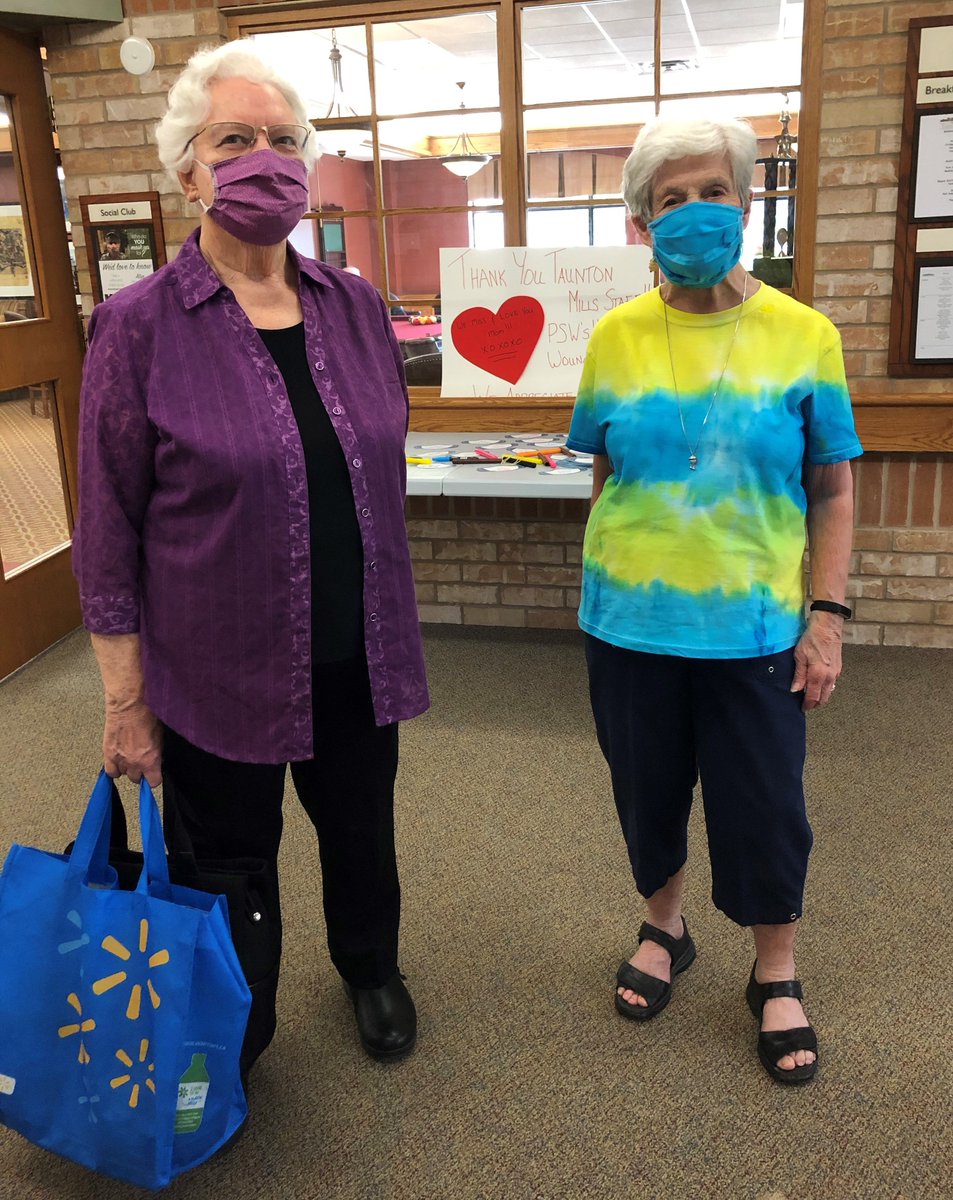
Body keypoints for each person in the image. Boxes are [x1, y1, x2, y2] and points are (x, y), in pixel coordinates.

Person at [73, 41, 429, 1072]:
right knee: (227, 859)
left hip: (356, 652)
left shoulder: (353, 306)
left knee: (360, 833)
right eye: (236, 139)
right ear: (188, 170)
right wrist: (124, 701)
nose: (264, 157)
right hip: (212, 663)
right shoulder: (137, 328)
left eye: (284, 140)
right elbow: (107, 531)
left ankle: (370, 967)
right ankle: (238, 1015)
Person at [567, 116, 861, 1085]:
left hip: (755, 630)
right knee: (643, 793)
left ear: (744, 202)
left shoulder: (801, 335)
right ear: (641, 223)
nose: (693, 211)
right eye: (668, 199)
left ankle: (773, 971)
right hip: (628, 627)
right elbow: (604, 472)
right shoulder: (613, 336)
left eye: (712, 191)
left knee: (762, 806)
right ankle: (664, 928)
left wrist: (826, 617)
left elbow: (831, 487)